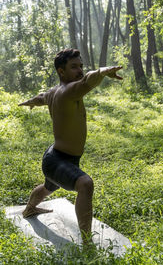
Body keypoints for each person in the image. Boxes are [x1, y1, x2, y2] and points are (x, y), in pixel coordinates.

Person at [19, 48, 123, 245]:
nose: (80, 71)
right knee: (85, 184)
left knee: (48, 187)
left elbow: (41, 98)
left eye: (81, 66)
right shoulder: (69, 90)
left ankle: (29, 208)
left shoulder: (54, 92)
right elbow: (88, 81)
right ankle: (87, 242)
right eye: (74, 67)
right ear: (61, 71)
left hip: (56, 157)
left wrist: (30, 102)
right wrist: (102, 72)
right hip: (57, 159)